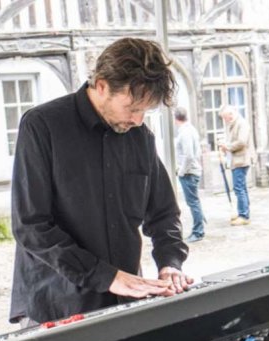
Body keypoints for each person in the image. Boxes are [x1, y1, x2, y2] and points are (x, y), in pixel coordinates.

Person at [10, 37, 192, 326]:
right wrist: (106, 276)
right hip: (57, 301)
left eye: (146, 110)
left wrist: (170, 262)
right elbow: (30, 226)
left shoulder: (140, 137)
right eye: (132, 107)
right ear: (102, 86)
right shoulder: (42, 125)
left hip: (124, 298)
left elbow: (164, 214)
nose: (138, 120)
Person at [218, 105, 254, 226]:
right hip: (237, 160)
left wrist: (227, 146)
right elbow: (233, 141)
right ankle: (243, 213)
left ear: (230, 115)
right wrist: (225, 146)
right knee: (241, 187)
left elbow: (242, 142)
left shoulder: (241, 123)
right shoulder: (233, 124)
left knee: (239, 188)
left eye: (225, 117)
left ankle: (244, 215)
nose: (225, 120)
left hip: (241, 160)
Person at [174, 107, 205, 243]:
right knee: (194, 202)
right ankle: (199, 227)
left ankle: (198, 231)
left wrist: (181, 172)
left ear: (176, 119)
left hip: (189, 172)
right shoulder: (191, 129)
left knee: (193, 203)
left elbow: (189, 155)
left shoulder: (185, 132)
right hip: (192, 171)